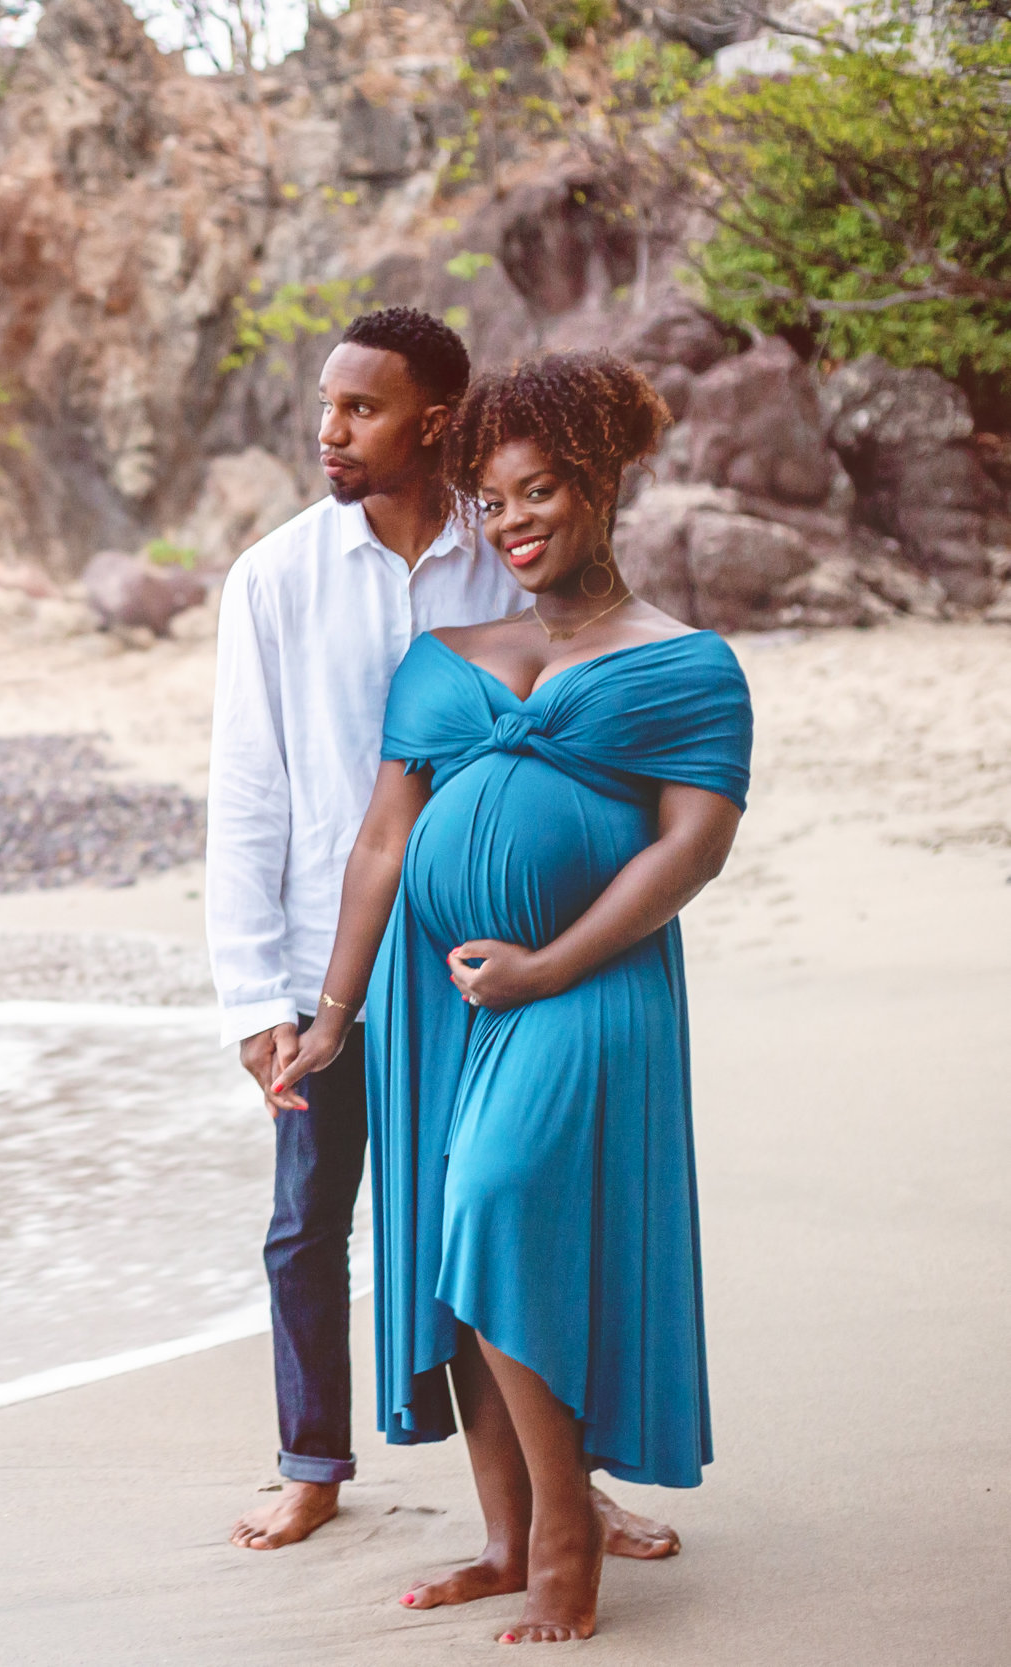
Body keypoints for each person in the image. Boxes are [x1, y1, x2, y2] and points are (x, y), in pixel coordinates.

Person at [273, 350, 749, 1642]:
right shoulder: (443, 655)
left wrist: (549, 962)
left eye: (538, 490)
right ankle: (501, 1534)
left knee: (492, 1206)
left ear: (598, 484)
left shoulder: (689, 665)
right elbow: (382, 842)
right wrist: (330, 1012)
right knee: (450, 1252)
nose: (513, 520)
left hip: (583, 983)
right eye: (491, 499)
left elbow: (689, 847)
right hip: (440, 1005)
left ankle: (564, 1539)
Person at [206, 309, 682, 1562]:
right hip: (333, 954)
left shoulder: (508, 548)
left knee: (514, 1217)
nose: (328, 431)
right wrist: (261, 995)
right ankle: (312, 1460)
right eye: (325, 406)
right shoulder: (274, 576)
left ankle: (564, 1489)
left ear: (434, 421)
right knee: (311, 1221)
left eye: (358, 409)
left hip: (500, 958)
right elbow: (247, 796)